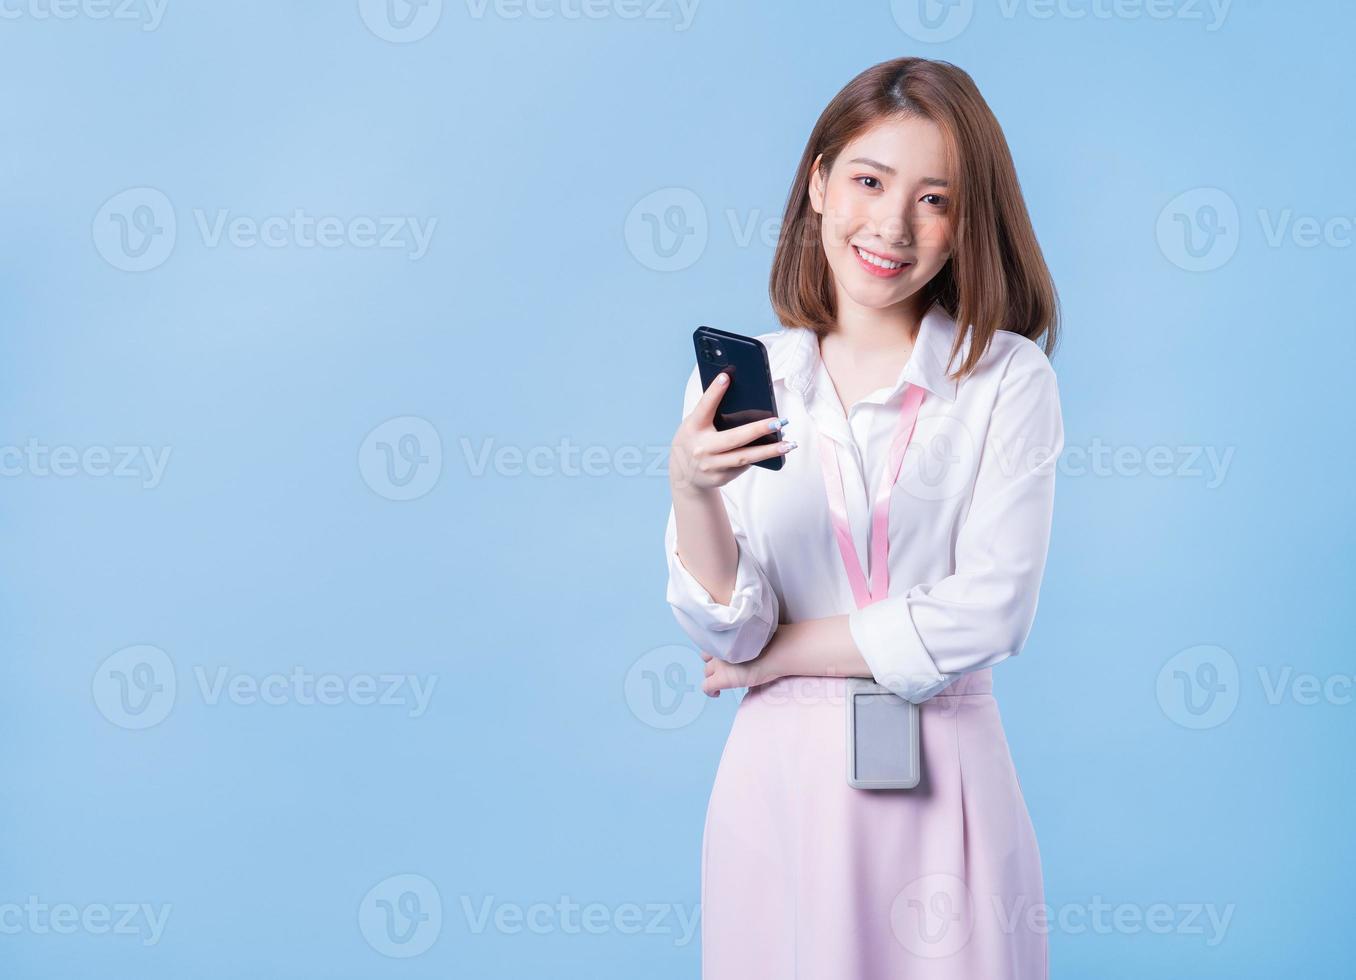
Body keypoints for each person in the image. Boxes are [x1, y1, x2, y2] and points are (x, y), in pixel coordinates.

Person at [663, 57, 1064, 978]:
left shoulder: (1006, 379)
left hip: (945, 777)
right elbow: (731, 620)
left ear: (971, 221)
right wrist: (691, 489)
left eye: (934, 199)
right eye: (868, 181)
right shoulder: (744, 381)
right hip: (781, 785)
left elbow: (994, 609)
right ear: (817, 184)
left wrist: (780, 657)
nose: (890, 225)